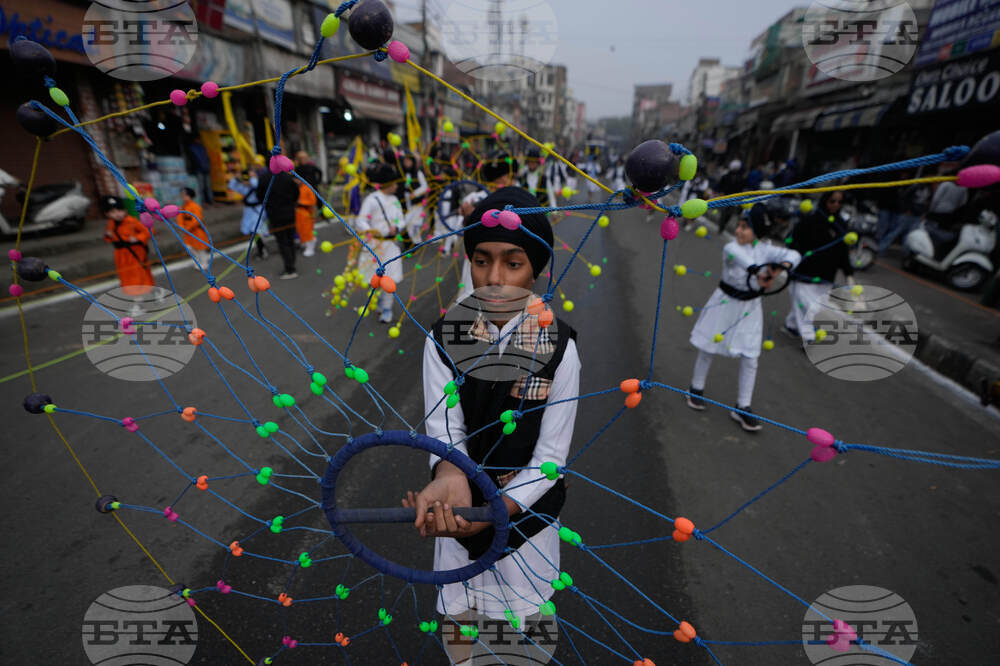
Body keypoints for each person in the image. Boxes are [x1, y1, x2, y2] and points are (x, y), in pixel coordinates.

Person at [402, 186, 580, 661]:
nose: (494, 278)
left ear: (535, 269)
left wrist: (494, 513)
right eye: (481, 261)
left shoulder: (559, 347)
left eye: (513, 263)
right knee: (463, 633)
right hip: (457, 520)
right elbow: (446, 433)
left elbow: (550, 459)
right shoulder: (443, 339)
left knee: (524, 638)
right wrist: (450, 475)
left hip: (527, 526)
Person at [687, 204, 800, 431]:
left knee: (750, 356)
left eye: (745, 227)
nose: (738, 231)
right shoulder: (731, 247)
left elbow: (794, 254)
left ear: (757, 231)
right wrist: (762, 271)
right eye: (738, 226)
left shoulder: (765, 248)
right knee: (708, 346)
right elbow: (743, 260)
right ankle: (695, 388)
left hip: (750, 307)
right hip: (724, 303)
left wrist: (780, 268)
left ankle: (742, 406)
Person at [784, 190, 856, 343]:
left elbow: (843, 251)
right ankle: (809, 337)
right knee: (807, 306)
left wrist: (848, 274)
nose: (835, 205)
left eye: (839, 202)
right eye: (832, 201)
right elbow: (791, 241)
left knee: (815, 306)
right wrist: (790, 261)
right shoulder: (809, 220)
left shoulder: (841, 225)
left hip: (826, 275)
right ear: (825, 201)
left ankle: (792, 325)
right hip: (804, 272)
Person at [355, 162, 405, 323]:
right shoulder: (372, 199)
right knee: (375, 277)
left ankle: (387, 308)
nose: (397, 186)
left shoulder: (395, 199)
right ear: (388, 184)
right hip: (375, 245)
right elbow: (360, 221)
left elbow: (401, 219)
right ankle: (378, 301)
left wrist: (397, 227)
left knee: (390, 278)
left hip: (391, 246)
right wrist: (375, 232)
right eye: (394, 183)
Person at [102, 195, 154, 297]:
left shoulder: (131, 221)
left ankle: (141, 298)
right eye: (113, 212)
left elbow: (149, 231)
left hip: (135, 253)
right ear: (107, 214)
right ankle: (137, 295)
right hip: (121, 256)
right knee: (126, 276)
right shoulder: (111, 224)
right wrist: (108, 236)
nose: (117, 214)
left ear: (125, 210)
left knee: (138, 276)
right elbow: (111, 237)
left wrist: (138, 238)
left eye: (119, 210)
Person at [256, 166, 301, 279]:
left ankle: (290, 269)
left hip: (274, 214)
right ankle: (291, 265)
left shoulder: (264, 178)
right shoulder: (287, 177)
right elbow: (296, 192)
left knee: (282, 241)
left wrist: (268, 204)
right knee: (290, 240)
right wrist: (291, 202)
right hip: (289, 212)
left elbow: (259, 196)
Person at [878, 178, 932, 255]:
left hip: (917, 216)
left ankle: (906, 254)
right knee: (895, 232)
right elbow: (904, 197)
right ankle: (880, 249)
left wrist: (923, 213)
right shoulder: (915, 186)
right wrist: (906, 210)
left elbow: (928, 202)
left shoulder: (929, 189)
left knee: (908, 236)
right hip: (907, 214)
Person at [227, 166, 269, 260]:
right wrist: (236, 178)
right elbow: (231, 186)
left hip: (258, 210)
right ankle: (262, 247)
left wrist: (251, 177)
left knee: (256, 230)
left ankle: (262, 250)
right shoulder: (244, 187)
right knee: (251, 231)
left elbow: (256, 184)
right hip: (248, 211)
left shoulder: (257, 183)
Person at [399, 151, 430, 244]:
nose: (407, 163)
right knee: (408, 223)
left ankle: (417, 242)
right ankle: (413, 242)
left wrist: (415, 194)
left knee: (416, 223)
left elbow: (425, 186)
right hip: (406, 202)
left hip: (417, 203)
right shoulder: (402, 173)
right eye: (405, 161)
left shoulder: (418, 173)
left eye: (409, 161)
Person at [178, 187, 210, 267]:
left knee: (201, 248)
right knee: (189, 247)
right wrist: (181, 227)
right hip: (188, 233)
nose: (182, 196)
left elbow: (197, 220)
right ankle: (198, 259)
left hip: (197, 231)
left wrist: (187, 228)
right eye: (182, 195)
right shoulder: (183, 207)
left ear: (190, 195)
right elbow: (180, 219)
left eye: (184, 195)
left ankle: (204, 263)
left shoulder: (196, 206)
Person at [188, 135, 213, 204]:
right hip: (199, 169)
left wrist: (208, 166)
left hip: (206, 169)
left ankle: (210, 200)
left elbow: (206, 158)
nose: (199, 141)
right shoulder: (192, 148)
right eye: (198, 139)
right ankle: (203, 201)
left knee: (208, 186)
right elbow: (193, 160)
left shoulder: (202, 147)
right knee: (201, 187)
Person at [296, 178, 318, 257]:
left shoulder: (307, 188)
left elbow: (313, 201)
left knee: (307, 230)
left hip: (307, 213)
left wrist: (301, 203)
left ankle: (310, 248)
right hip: (299, 213)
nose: (296, 181)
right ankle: (305, 243)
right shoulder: (298, 188)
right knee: (300, 229)